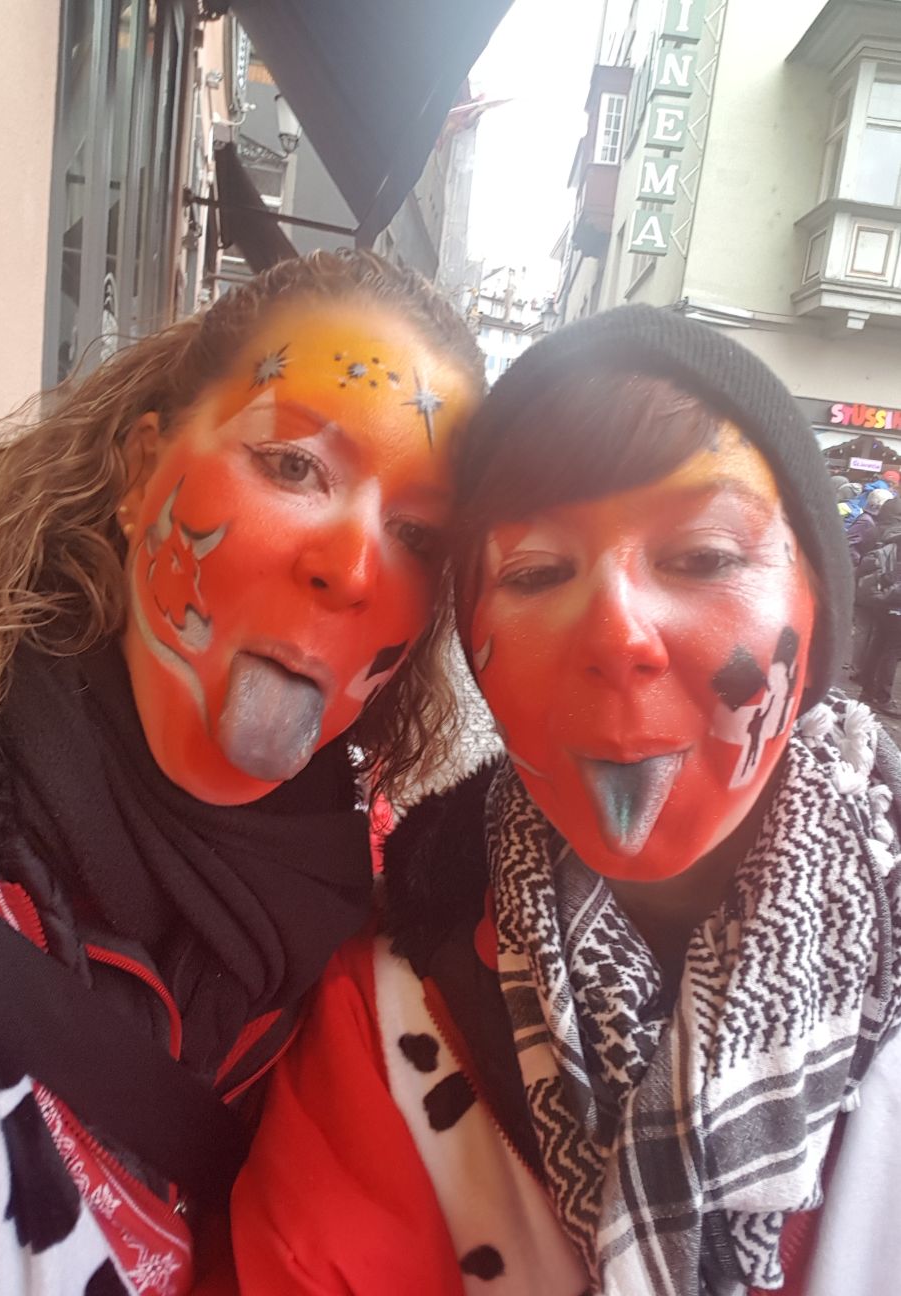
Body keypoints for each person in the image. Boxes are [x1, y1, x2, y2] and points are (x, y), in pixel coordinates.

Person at [230, 305, 901, 1296]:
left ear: (819, 599)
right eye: (537, 571)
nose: (615, 634)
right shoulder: (384, 1013)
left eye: (704, 557)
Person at [0, 250, 482, 1293]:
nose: (353, 568)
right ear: (141, 474)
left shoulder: (385, 934)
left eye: (416, 533)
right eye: (293, 466)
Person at [857, 495, 901, 715]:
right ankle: (883, 697)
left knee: (878, 644)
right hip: (895, 601)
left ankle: (867, 691)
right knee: (891, 649)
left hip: (882, 597)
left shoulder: (892, 536)